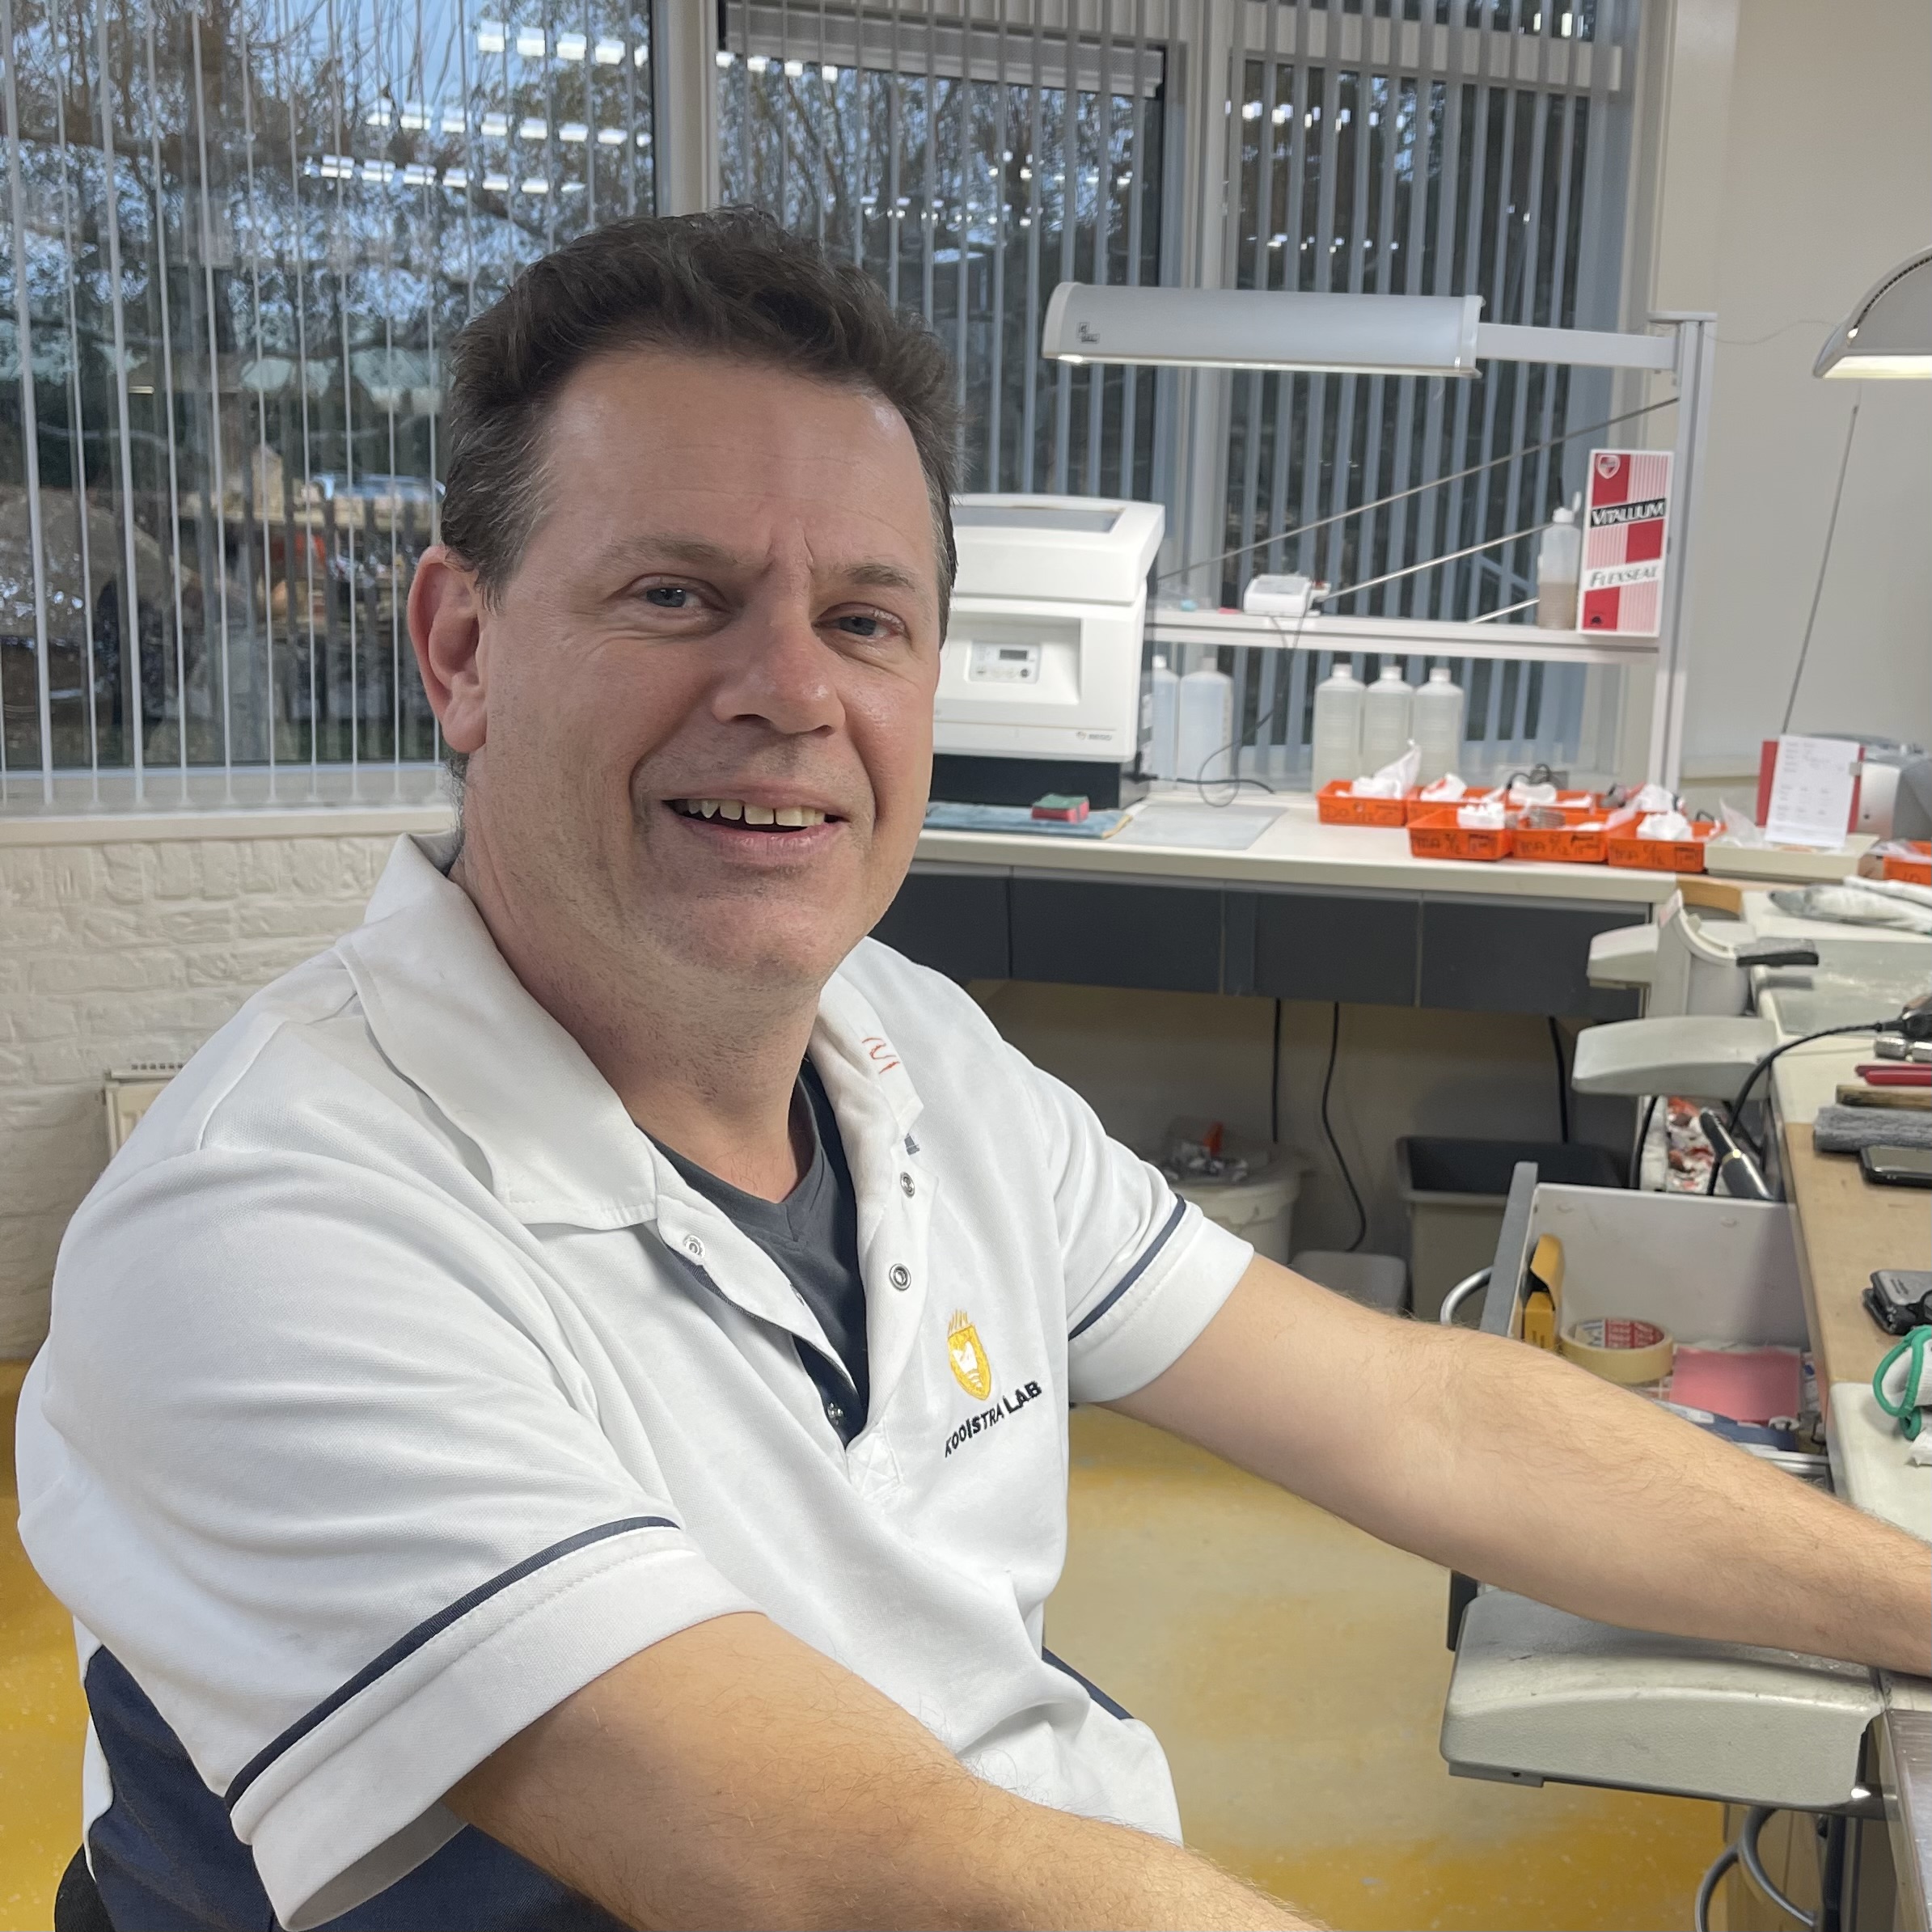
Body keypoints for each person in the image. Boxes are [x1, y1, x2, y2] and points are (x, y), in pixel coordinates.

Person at [17, 210, 1927, 1932]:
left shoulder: (911, 1052)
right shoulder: (265, 1225)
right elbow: (854, 1873)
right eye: (675, 594)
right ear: (461, 647)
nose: (790, 690)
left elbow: (1422, 1416)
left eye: (864, 619)